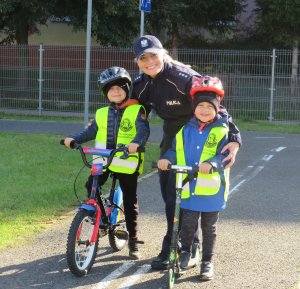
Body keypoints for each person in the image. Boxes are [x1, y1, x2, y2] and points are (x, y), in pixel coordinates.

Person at [131, 35, 241, 270]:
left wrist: (234, 139)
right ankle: (184, 245)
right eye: (143, 58)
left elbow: (215, 106)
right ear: (137, 62)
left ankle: (181, 248)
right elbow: (132, 114)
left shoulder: (183, 78)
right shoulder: (140, 85)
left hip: (199, 136)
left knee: (185, 194)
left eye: (153, 55)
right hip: (173, 138)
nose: (149, 61)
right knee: (172, 196)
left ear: (163, 54)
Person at [63, 66, 150, 260]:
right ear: (105, 93)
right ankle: (99, 216)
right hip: (103, 160)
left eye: (119, 87)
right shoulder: (101, 113)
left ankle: (134, 240)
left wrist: (136, 143)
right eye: (110, 89)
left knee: (129, 199)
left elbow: (142, 130)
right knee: (90, 185)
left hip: (126, 162)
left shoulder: (137, 109)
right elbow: (90, 131)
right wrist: (72, 138)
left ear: (127, 88)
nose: (115, 91)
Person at [157, 76, 230, 281]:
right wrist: (167, 160)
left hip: (211, 190)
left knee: (209, 228)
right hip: (188, 187)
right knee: (187, 224)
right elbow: (174, 149)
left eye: (209, 106)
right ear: (194, 108)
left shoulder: (221, 130)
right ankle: (187, 252)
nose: (205, 110)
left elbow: (224, 154)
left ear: (217, 109)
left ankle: (207, 261)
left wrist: (213, 163)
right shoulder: (184, 130)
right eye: (201, 106)